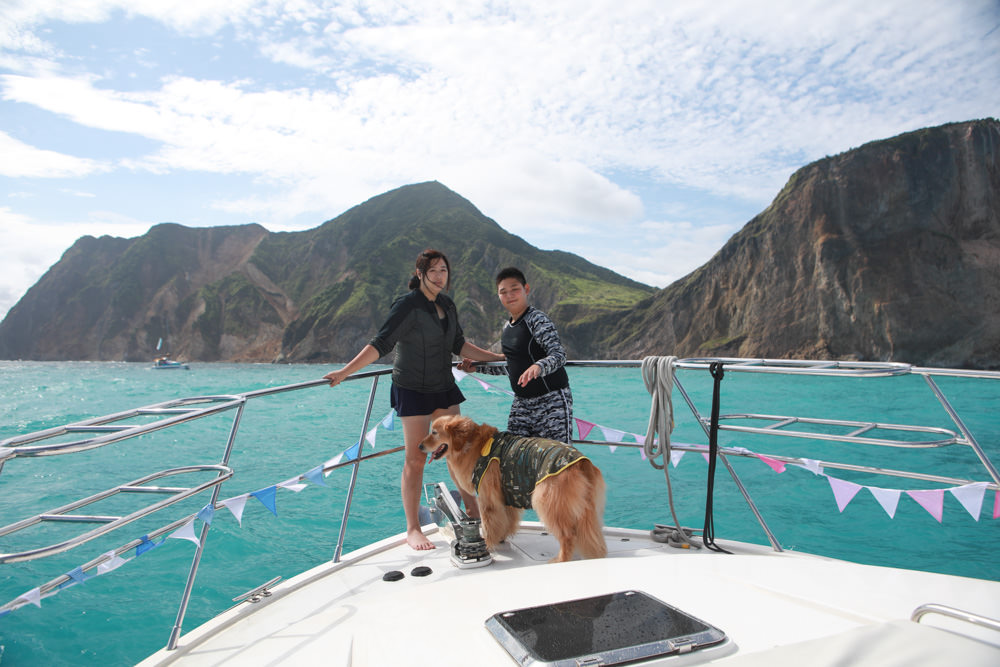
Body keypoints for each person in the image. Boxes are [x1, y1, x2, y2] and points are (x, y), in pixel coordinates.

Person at [323, 249, 504, 551]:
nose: (439, 276)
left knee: (458, 452)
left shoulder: (448, 304)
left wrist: (495, 356)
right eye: (432, 270)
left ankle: (474, 511)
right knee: (416, 459)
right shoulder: (407, 305)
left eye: (443, 270)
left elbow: (459, 344)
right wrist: (345, 371)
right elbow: (380, 344)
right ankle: (413, 528)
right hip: (412, 389)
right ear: (420, 273)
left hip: (443, 386)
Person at [461, 267, 573, 443]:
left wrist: (539, 366)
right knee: (517, 457)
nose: (509, 295)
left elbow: (559, 354)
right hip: (521, 403)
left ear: (526, 289)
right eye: (503, 292)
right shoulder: (507, 329)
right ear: (498, 296)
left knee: (555, 460)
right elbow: (512, 367)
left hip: (551, 401)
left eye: (515, 289)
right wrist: (478, 368)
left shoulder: (537, 320)